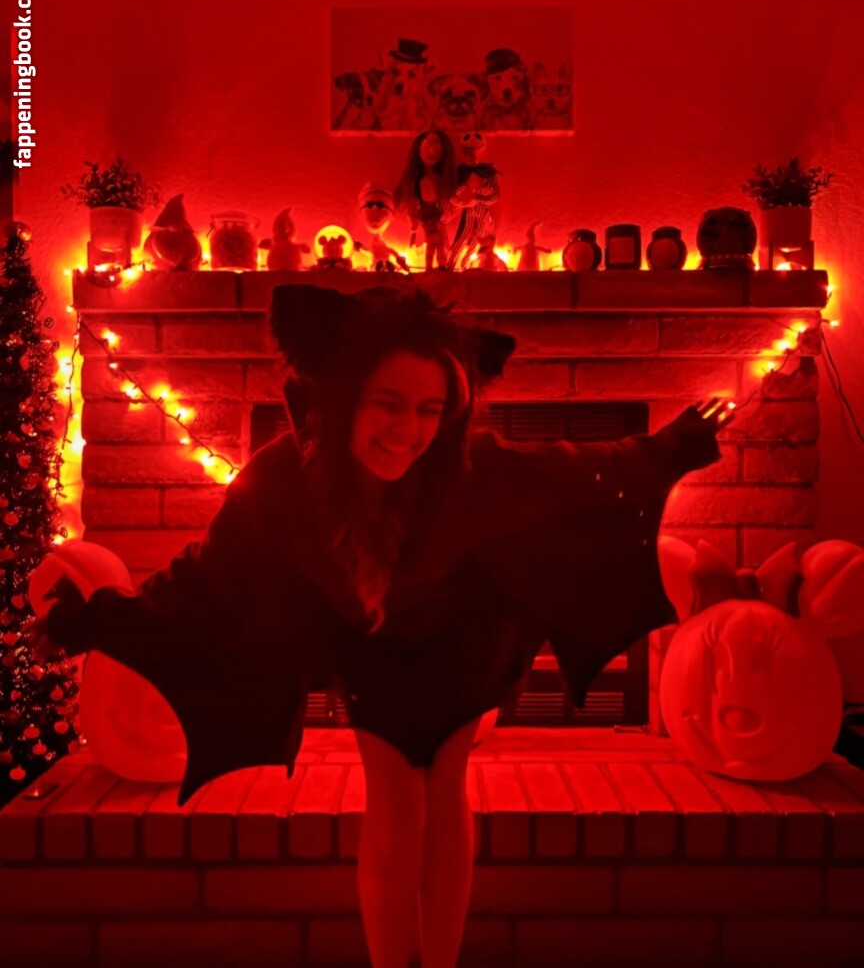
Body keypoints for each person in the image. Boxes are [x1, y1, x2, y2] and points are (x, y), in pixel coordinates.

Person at [26, 284, 733, 968]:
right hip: (371, 641)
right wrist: (96, 621)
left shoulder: (472, 467)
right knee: (394, 797)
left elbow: (574, 471)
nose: (408, 433)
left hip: (467, 636)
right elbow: (204, 577)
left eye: (430, 410)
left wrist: (672, 447)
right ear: (345, 397)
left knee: (444, 785)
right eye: (388, 404)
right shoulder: (282, 481)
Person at [394, 130, 458, 270]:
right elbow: (406, 204)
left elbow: (453, 203)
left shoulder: (442, 180)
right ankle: (432, 265)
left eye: (436, 146)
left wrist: (448, 212)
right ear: (419, 149)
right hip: (426, 216)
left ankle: (439, 264)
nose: (432, 149)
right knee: (433, 242)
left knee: (439, 242)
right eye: (427, 145)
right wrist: (413, 218)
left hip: (438, 214)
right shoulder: (417, 182)